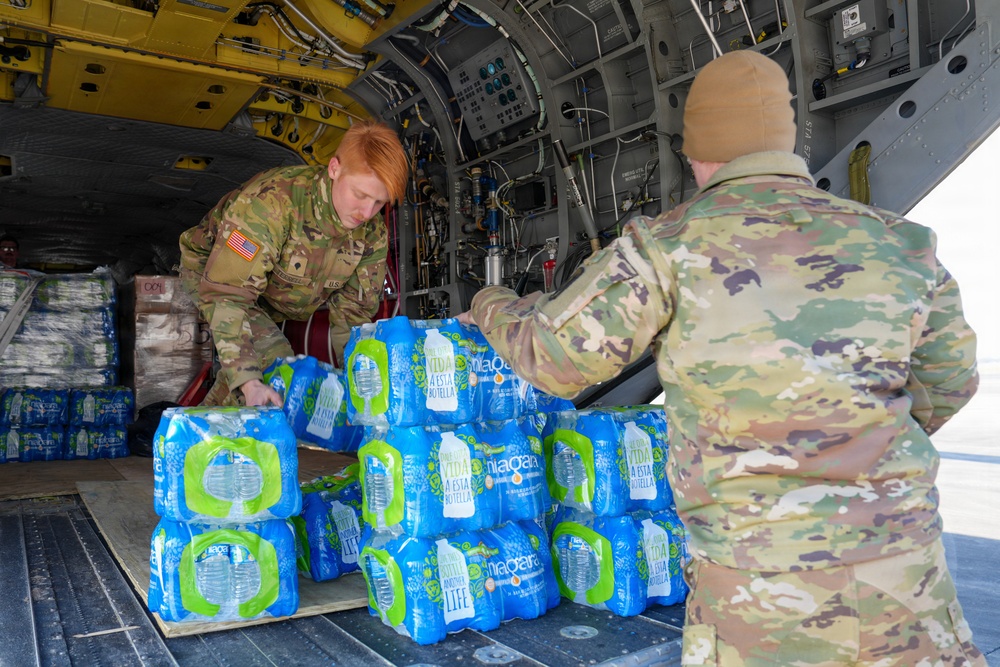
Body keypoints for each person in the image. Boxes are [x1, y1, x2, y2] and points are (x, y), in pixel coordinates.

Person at [461, 51, 983, 665]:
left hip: (758, 600)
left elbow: (551, 358)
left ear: (699, 151)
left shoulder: (667, 250)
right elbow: (949, 384)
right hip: (909, 589)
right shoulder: (904, 243)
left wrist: (491, 301)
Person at [179, 120, 408, 407]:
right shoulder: (271, 205)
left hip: (269, 294)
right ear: (334, 168)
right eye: (360, 195)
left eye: (379, 202)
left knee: (246, 372)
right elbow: (228, 295)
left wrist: (361, 389)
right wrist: (249, 384)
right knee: (277, 365)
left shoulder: (371, 233)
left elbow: (352, 317)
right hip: (216, 274)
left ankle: (194, 434)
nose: (366, 212)